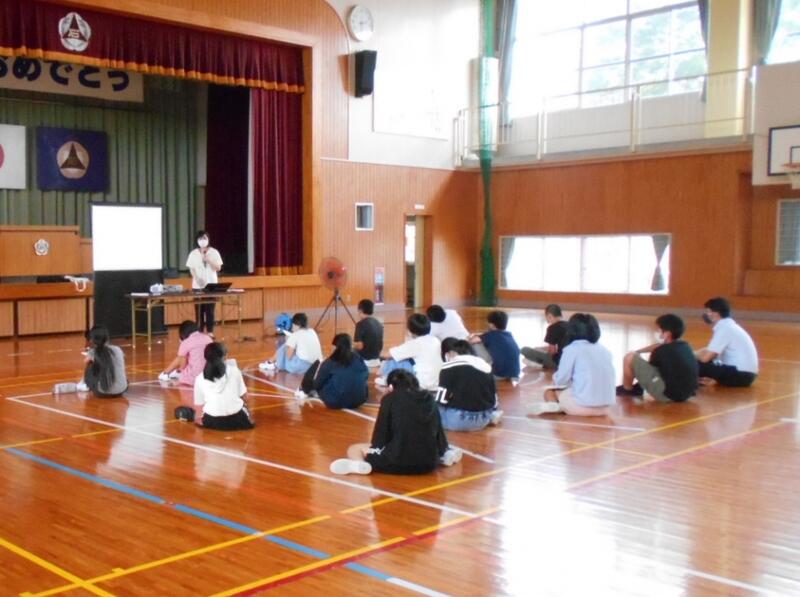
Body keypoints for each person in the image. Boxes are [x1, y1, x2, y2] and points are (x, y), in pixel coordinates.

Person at [329, 369, 462, 475]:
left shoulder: (390, 399)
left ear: (391, 386)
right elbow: (438, 431)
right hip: (429, 464)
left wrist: (374, 452)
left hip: (397, 462)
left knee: (354, 449)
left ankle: (360, 464)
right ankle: (445, 454)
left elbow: (381, 435)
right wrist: (442, 448)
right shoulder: (429, 398)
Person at [529, 313, 615, 416]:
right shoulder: (605, 350)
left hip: (582, 407)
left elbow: (561, 379)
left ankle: (555, 405)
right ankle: (559, 407)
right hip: (606, 408)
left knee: (550, 391)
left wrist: (554, 381)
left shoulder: (572, 349)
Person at [616, 314, 699, 402]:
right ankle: (637, 388)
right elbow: (659, 346)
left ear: (667, 334)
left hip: (668, 396)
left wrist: (634, 355)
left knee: (629, 357)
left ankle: (627, 389)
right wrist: (639, 351)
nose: (656, 332)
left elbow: (651, 370)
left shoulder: (661, 351)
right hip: (687, 394)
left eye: (658, 330)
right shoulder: (685, 346)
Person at [436, 339, 502, 431]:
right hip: (484, 419)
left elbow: (442, 400)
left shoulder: (448, 367)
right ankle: (492, 417)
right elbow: (494, 397)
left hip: (459, 421)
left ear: (450, 353)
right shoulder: (484, 365)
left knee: (432, 410)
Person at [695, 297, 759, 387]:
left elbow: (706, 358)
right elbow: (710, 350)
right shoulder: (728, 326)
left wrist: (690, 357)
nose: (707, 314)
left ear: (715, 313)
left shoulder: (724, 329)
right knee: (705, 363)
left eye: (708, 311)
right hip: (746, 374)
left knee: (693, 365)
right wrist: (692, 354)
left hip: (740, 375)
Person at [298, 333, 369, 409]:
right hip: (359, 400)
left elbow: (317, 384)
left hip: (335, 401)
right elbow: (366, 374)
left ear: (335, 347)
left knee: (319, 363)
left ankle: (303, 389)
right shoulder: (359, 359)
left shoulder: (330, 361)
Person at [194, 342, 254, 430]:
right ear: (225, 356)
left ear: (205, 357)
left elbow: (199, 404)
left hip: (212, 422)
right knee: (244, 407)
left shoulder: (199, 378)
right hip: (237, 421)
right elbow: (245, 397)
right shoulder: (234, 371)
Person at [375, 313, 442, 391]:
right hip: (436, 383)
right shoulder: (435, 340)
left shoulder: (415, 343)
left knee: (394, 359)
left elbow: (387, 355)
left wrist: (372, 352)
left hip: (421, 383)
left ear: (411, 330)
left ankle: (387, 380)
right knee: (402, 357)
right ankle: (385, 378)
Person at [186, 230, 223, 335]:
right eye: (200, 238)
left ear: (208, 239)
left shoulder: (214, 252)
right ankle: (200, 331)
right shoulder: (193, 253)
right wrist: (197, 278)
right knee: (199, 310)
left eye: (204, 238)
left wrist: (209, 260)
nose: (202, 240)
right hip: (198, 285)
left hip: (211, 284)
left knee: (210, 309)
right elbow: (191, 269)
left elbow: (218, 268)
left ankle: (210, 331)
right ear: (197, 240)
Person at [468, 310, 521, 381]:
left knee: (476, 345)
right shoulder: (509, 335)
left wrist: (469, 337)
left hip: (498, 375)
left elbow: (471, 341)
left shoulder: (490, 335)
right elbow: (485, 335)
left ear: (492, 325)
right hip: (514, 374)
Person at [160, 320, 213, 386]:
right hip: (210, 375)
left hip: (194, 377)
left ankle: (168, 373)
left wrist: (166, 371)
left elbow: (180, 359)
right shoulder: (208, 338)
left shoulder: (186, 342)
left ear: (183, 333)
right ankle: (178, 372)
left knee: (183, 356)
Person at [82, 325, 128, 397]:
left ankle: (84, 386)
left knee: (90, 365)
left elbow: (86, 361)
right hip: (121, 390)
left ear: (92, 339)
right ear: (107, 337)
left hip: (102, 392)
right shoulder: (117, 349)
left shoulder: (93, 351)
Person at [521, 304, 569, 370]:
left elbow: (552, 351)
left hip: (558, 362)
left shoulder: (552, 328)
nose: (547, 320)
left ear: (549, 316)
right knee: (537, 349)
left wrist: (542, 355)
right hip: (569, 361)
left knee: (524, 350)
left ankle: (543, 365)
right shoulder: (569, 325)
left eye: (546, 317)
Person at [353, 299, 383, 367]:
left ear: (360, 311)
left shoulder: (360, 324)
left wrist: (349, 344)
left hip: (365, 359)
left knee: (346, 349)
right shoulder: (379, 323)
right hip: (376, 357)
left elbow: (360, 346)